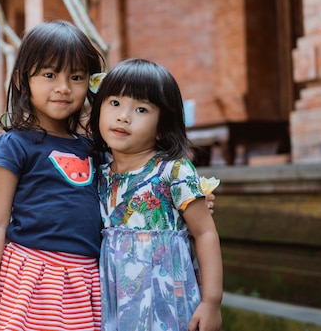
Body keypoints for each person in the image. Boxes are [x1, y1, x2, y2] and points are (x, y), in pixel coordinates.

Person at [0, 20, 106, 331]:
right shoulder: (14, 144)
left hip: (86, 283)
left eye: (77, 76)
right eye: (50, 74)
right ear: (23, 79)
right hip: (30, 280)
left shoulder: (95, 150)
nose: (64, 87)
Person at [90, 58, 223, 331]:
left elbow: (205, 233)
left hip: (167, 302)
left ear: (162, 126)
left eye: (141, 109)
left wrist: (211, 301)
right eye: (114, 103)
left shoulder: (173, 171)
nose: (123, 116)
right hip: (114, 302)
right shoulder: (97, 175)